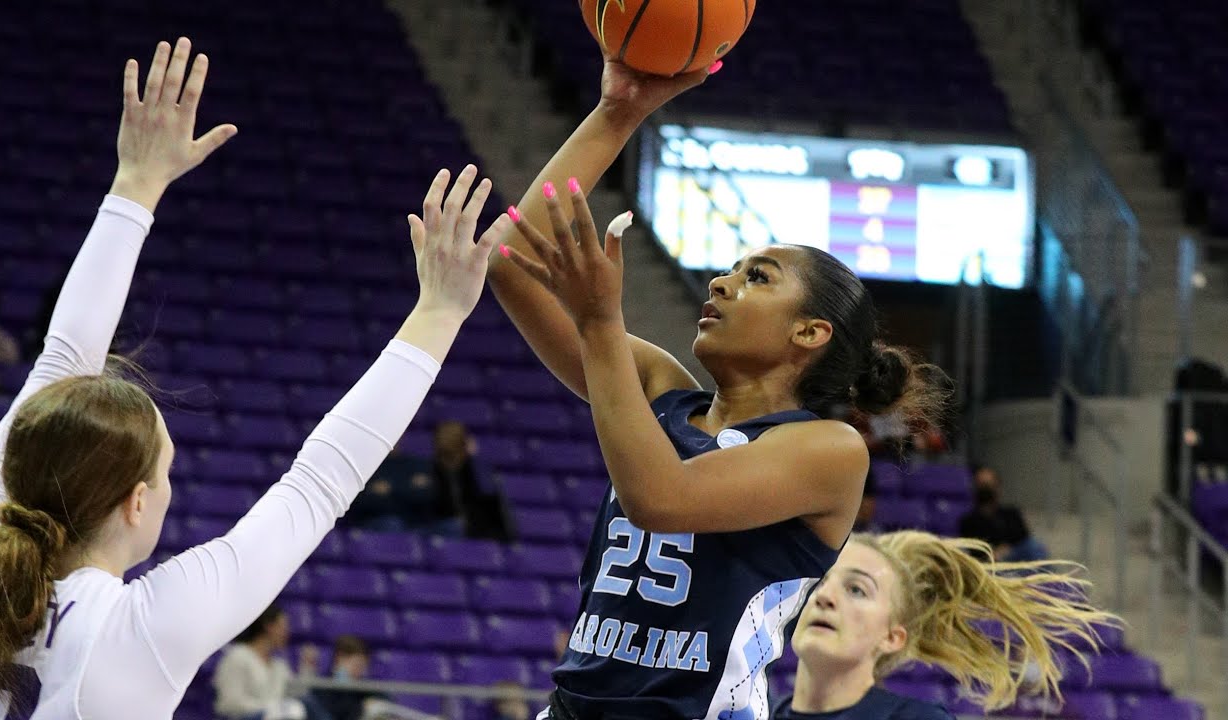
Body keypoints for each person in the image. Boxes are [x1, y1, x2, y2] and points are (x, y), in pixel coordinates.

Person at [0, 37, 496, 719]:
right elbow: (319, 482)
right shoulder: (140, 632)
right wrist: (441, 309)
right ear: (136, 504)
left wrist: (135, 183)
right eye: (167, 473)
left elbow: (63, 360)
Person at [479, 51, 951, 719]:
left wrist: (599, 321)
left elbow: (660, 499)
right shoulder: (664, 391)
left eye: (757, 277)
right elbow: (513, 265)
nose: (721, 283)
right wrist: (619, 114)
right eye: (731, 269)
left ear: (809, 334)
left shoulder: (830, 450)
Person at [775, 531, 1120, 719]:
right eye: (821, 581)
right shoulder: (752, 710)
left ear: (892, 637)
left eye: (856, 589)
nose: (825, 596)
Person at [214, 605, 329, 720]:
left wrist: (307, 669)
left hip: (277, 715)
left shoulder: (279, 665)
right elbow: (229, 703)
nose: (287, 633)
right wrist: (270, 708)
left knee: (304, 704)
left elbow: (297, 695)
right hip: (248, 717)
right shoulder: (238, 657)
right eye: (283, 627)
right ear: (269, 627)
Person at [430, 420, 511, 540]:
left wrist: (475, 461)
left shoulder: (477, 469)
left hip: (480, 531)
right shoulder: (433, 469)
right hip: (443, 530)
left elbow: (493, 506)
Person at [958, 465, 1049, 562]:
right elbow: (974, 548)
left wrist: (1006, 548)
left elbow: (1023, 535)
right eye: (982, 485)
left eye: (989, 485)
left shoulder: (1011, 512)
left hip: (1014, 556)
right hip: (989, 561)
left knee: (1035, 547)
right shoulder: (968, 520)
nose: (986, 490)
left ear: (997, 487)